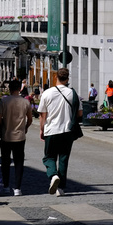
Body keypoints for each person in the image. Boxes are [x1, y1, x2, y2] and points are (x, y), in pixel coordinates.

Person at [38, 67, 82, 196]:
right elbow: (80, 113)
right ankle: (60, 188)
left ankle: (53, 175)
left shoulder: (47, 93)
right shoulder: (73, 94)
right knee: (63, 159)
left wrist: (42, 130)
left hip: (51, 130)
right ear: (67, 79)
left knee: (49, 157)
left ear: (56, 77)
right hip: (68, 131)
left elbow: (42, 115)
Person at [0, 78, 33, 195]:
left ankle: (6, 186)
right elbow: (30, 119)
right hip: (20, 136)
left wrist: (3, 126)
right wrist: (25, 127)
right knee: (19, 162)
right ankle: (17, 188)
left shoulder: (4, 101)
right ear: (19, 89)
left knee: (5, 162)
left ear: (10, 89)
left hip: (6, 135)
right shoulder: (25, 102)